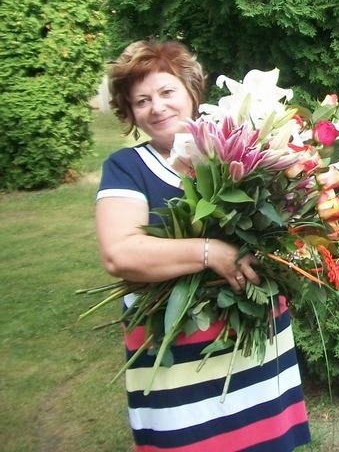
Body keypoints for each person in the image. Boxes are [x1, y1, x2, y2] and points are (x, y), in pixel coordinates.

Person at [95, 39, 312, 451]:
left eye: (166, 92)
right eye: (141, 100)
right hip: (177, 354)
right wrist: (210, 252)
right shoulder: (126, 168)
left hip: (256, 347)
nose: (156, 107)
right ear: (130, 112)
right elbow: (118, 254)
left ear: (193, 92)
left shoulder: (246, 148)